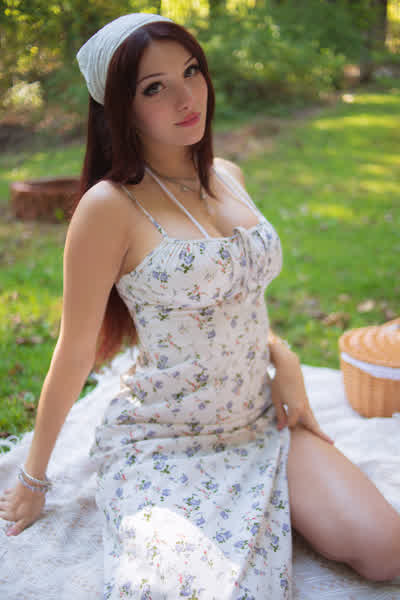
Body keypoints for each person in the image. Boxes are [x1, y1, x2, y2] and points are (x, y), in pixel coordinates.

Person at [0, 12, 399, 599]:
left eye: (191, 71)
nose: (187, 97)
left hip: (260, 420)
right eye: (154, 88)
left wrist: (282, 358)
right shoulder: (109, 207)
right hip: (166, 437)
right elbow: (75, 348)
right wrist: (34, 478)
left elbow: (238, 298)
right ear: (119, 107)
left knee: (387, 549)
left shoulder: (228, 175)